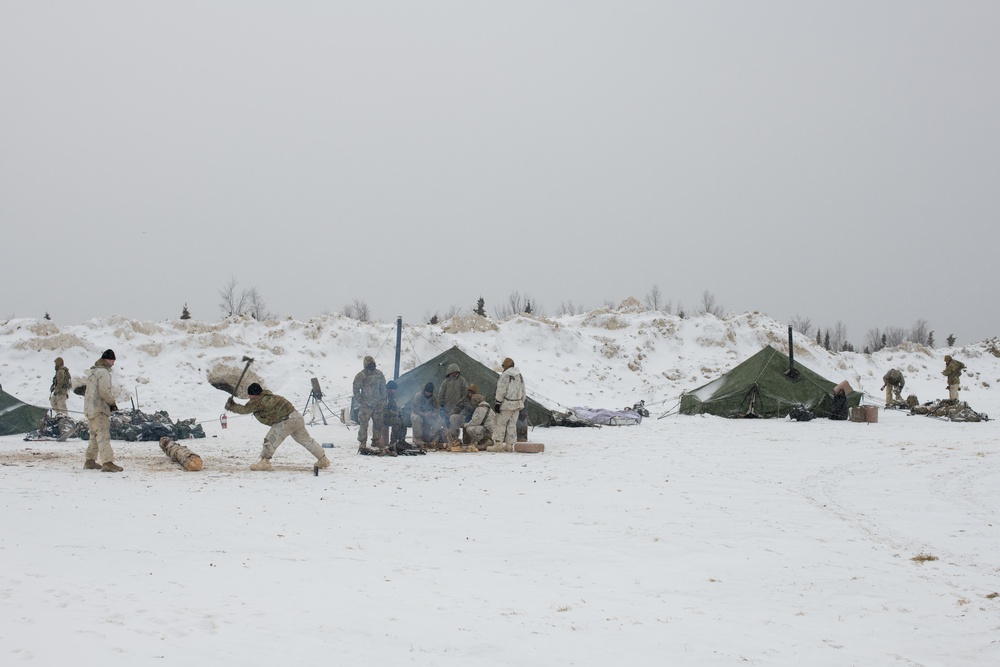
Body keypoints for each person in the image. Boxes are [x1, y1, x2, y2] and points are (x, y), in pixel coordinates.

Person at [226, 383, 331, 471]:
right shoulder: (267, 397)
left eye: (250, 395)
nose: (249, 398)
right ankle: (323, 460)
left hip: (287, 420)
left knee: (270, 439)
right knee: (307, 441)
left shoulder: (258, 401)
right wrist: (234, 405)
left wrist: (231, 406)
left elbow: (245, 409)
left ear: (255, 394)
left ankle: (264, 462)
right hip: (297, 417)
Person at [83, 349, 122, 472]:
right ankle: (108, 462)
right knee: (103, 435)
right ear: (106, 360)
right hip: (99, 409)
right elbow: (105, 391)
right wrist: (112, 404)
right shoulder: (103, 373)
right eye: (112, 360)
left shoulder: (93, 372)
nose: (113, 363)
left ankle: (90, 461)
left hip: (90, 409)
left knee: (94, 435)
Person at [489, 357, 525, 452]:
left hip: (506, 404)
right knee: (512, 424)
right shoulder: (519, 375)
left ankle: (498, 444)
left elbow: (501, 389)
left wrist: (498, 402)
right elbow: (523, 391)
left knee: (500, 423)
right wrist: (521, 402)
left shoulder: (505, 375)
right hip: (517, 404)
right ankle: (509, 445)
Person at [353, 356, 387, 453]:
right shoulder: (361, 375)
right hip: (366, 404)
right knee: (363, 423)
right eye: (370, 365)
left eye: (373, 364)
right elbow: (356, 388)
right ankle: (362, 442)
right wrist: (360, 400)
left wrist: (383, 400)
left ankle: (376, 440)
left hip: (377, 404)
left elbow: (383, 388)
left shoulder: (379, 374)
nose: (372, 366)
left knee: (378, 423)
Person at [436, 363, 469, 444]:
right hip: (447, 407)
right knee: (446, 423)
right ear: (449, 372)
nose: (454, 374)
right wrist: (440, 405)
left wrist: (461, 403)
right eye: (453, 372)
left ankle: (455, 439)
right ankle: (447, 439)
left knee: (454, 423)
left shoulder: (462, 381)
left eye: (456, 372)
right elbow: (441, 394)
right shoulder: (446, 382)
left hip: (458, 407)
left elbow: (465, 393)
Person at [411, 382, 445, 448]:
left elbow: (437, 407)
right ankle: (417, 439)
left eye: (430, 392)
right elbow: (415, 409)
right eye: (427, 392)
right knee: (417, 419)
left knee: (438, 419)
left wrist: (434, 413)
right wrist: (424, 414)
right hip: (417, 414)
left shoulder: (433, 397)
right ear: (424, 391)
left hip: (429, 415)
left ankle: (433, 439)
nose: (428, 394)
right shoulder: (418, 396)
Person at [380, 380, 407, 452]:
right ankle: (393, 442)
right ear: (388, 389)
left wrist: (398, 413)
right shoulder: (384, 398)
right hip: (382, 417)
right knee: (397, 421)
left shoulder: (392, 397)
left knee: (403, 421)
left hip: (390, 416)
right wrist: (395, 414)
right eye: (392, 389)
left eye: (395, 389)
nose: (393, 391)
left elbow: (394, 408)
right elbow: (384, 411)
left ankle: (401, 441)